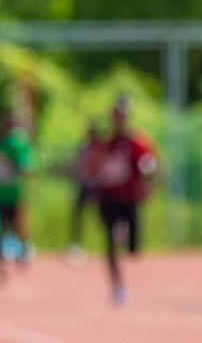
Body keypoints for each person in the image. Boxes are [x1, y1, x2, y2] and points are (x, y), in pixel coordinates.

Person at [92, 96, 158, 306]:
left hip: (130, 198)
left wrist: (149, 187)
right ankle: (118, 287)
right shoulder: (105, 144)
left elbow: (151, 166)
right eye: (115, 116)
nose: (118, 120)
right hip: (109, 198)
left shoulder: (136, 143)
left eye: (122, 116)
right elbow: (93, 166)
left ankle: (126, 235)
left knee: (133, 250)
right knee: (110, 244)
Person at [0, 108, 33, 283]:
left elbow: (26, 165)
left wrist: (15, 165)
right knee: (1, 228)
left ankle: (23, 251)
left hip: (14, 193)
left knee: (18, 226)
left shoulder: (17, 143)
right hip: (0, 193)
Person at [65, 122, 104, 261]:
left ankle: (111, 243)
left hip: (99, 187)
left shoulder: (102, 148)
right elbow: (76, 164)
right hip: (85, 186)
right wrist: (70, 169)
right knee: (78, 216)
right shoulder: (83, 148)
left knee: (103, 217)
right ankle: (76, 244)